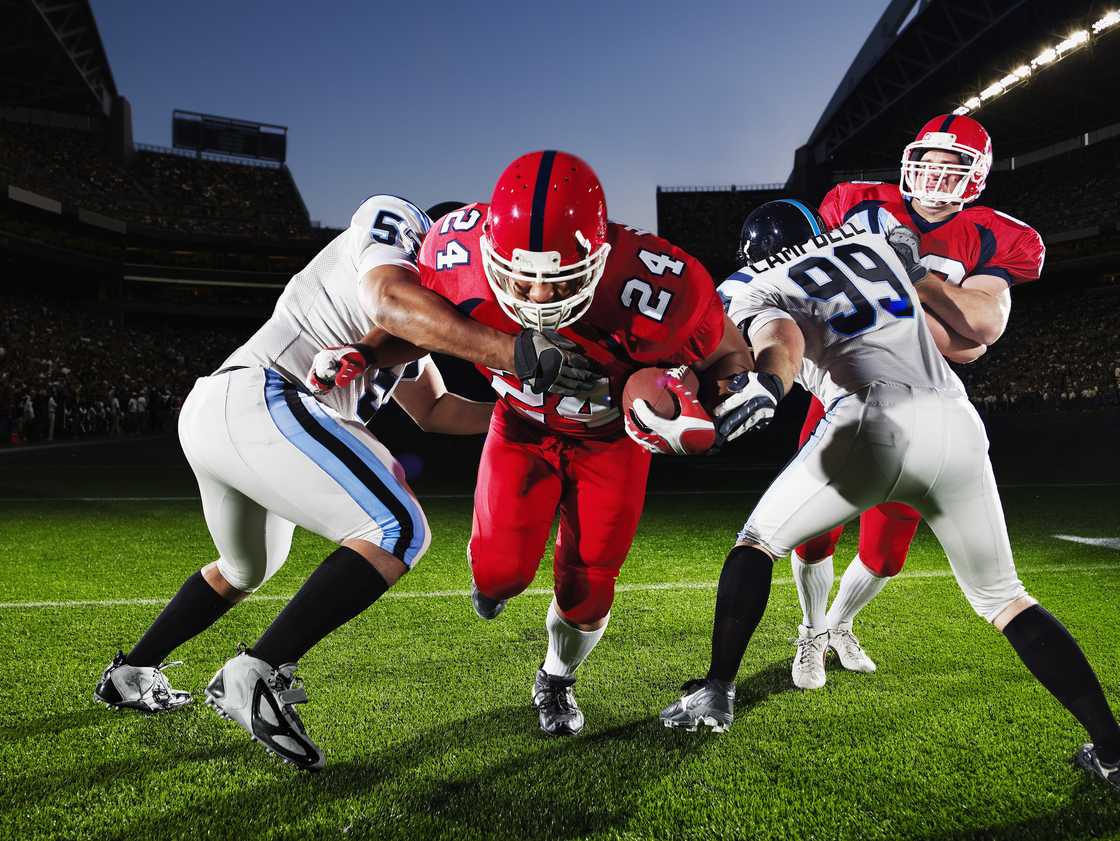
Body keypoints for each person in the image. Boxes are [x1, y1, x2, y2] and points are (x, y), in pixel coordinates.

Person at [94, 194, 585, 770]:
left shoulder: (420, 322)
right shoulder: (397, 228)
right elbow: (388, 299)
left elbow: (437, 410)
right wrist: (510, 351)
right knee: (395, 526)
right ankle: (259, 670)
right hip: (260, 393)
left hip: (232, 419)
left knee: (246, 569)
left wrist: (528, 411)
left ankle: (131, 672)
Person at [659, 200, 1120, 793]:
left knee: (757, 543)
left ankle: (716, 690)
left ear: (750, 255)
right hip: (956, 418)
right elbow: (966, 345)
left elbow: (781, 337)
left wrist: (768, 383)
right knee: (1006, 598)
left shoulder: (755, 286)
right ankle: (1111, 748)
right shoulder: (875, 248)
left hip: (870, 418)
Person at [366, 150, 757, 736]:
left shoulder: (658, 283)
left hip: (611, 442)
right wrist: (365, 354)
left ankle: (555, 679)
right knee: (499, 573)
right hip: (521, 429)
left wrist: (727, 401)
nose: (539, 293)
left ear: (599, 257)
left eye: (559, 276)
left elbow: (729, 356)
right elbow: (409, 324)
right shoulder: (454, 252)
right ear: (491, 251)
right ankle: (495, 583)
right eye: (521, 273)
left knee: (588, 584)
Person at [786, 115, 1046, 688]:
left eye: (950, 166)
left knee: (886, 553)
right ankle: (809, 633)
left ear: (975, 177)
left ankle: (838, 624)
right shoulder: (854, 203)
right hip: (842, 387)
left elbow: (977, 334)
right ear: (909, 161)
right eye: (926, 160)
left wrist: (912, 275)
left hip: (922, 402)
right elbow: (814, 300)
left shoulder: (994, 233)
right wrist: (941, 318)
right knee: (813, 533)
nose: (933, 173)